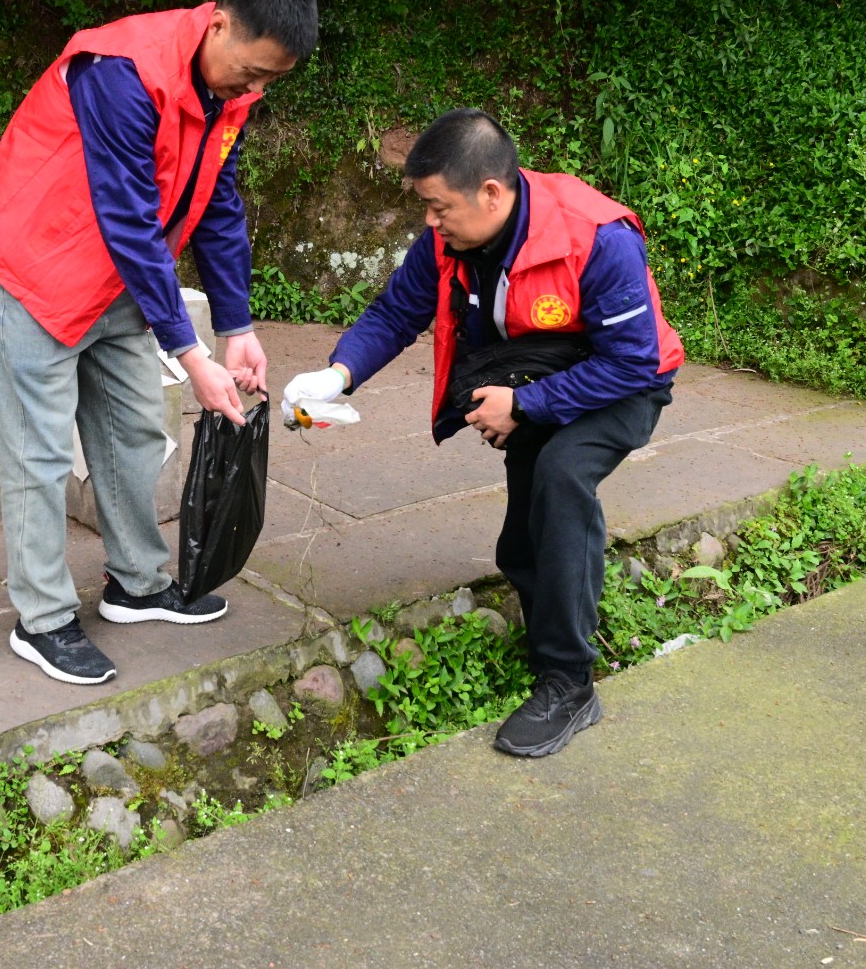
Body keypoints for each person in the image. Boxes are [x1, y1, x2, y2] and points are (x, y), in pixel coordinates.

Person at [282, 109, 682, 756]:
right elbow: (398, 310)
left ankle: (569, 682)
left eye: (439, 207)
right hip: (535, 378)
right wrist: (337, 375)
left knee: (561, 476)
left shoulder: (595, 237)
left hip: (623, 384)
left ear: (491, 193)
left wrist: (524, 405)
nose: (429, 223)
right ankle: (554, 629)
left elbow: (633, 361)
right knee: (522, 543)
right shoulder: (451, 238)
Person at [0, 0, 319, 685]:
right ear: (219, 23)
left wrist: (237, 328)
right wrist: (190, 354)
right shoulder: (122, 71)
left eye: (269, 81)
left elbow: (217, 201)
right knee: (39, 452)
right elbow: (128, 218)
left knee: (132, 430)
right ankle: (42, 618)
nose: (253, 90)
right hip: (39, 267)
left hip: (119, 280)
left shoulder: (228, 94)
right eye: (251, 72)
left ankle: (135, 583)